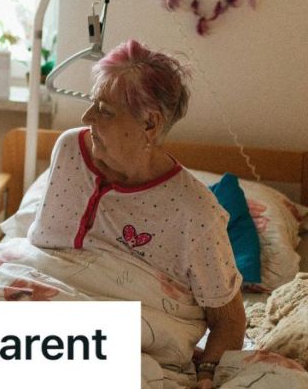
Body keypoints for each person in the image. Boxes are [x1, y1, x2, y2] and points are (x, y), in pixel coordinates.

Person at [26, 40, 244, 388]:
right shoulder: (69, 149)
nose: (86, 118)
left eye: (104, 110)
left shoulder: (195, 212)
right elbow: (41, 259)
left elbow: (230, 321)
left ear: (150, 124)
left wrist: (206, 375)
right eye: (91, 104)